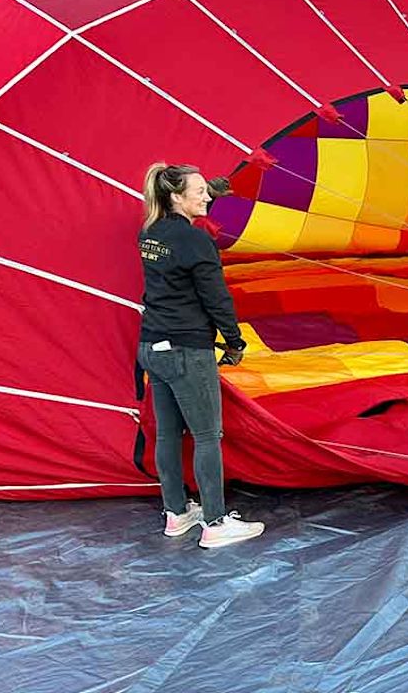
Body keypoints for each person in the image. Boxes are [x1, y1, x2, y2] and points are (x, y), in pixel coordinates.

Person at [136, 163, 264, 549]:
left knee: (169, 433)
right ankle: (215, 522)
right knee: (208, 436)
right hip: (186, 349)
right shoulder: (196, 240)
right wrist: (235, 341)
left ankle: (176, 514)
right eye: (199, 191)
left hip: (152, 347)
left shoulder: (151, 232)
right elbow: (216, 298)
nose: (206, 196)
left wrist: (212, 192)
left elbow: (181, 253)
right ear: (177, 197)